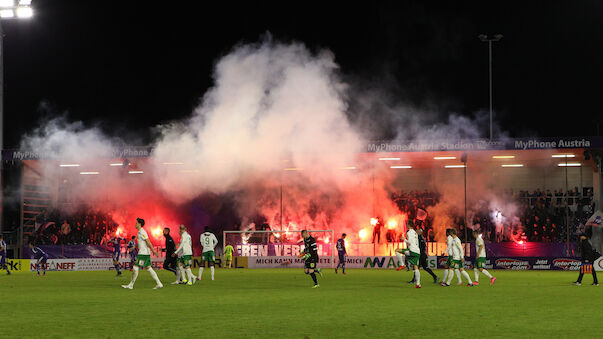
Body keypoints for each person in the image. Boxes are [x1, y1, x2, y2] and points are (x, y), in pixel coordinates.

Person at [121, 218, 163, 290]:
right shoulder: (139, 232)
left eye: (136, 223)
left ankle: (131, 285)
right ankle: (159, 283)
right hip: (145, 253)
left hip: (143, 253)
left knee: (135, 267)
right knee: (149, 268)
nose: (135, 224)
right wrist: (134, 247)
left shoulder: (142, 232)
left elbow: (148, 241)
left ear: (139, 224)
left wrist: (153, 251)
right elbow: (140, 242)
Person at [403, 221, 421, 289]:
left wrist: (404, 239)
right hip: (417, 251)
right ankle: (418, 284)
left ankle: (403, 265)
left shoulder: (409, 232)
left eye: (407, 224)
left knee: (397, 250)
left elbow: (410, 242)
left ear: (409, 225)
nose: (406, 225)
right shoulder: (415, 233)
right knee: (416, 267)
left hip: (412, 251)